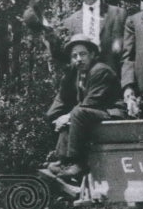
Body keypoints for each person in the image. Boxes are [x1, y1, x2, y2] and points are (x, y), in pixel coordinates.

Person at [39, 34, 124, 182]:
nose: (78, 59)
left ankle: (78, 163)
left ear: (92, 54)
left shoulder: (100, 70)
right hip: (95, 114)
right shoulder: (79, 74)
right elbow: (66, 98)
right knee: (67, 115)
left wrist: (68, 116)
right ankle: (63, 160)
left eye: (83, 54)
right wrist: (57, 116)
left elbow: (92, 101)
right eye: (75, 56)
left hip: (113, 113)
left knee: (76, 113)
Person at [46, 0, 127, 75]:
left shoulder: (118, 14)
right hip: (83, 84)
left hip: (113, 80)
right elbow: (66, 58)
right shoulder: (70, 22)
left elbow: (127, 55)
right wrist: (52, 42)